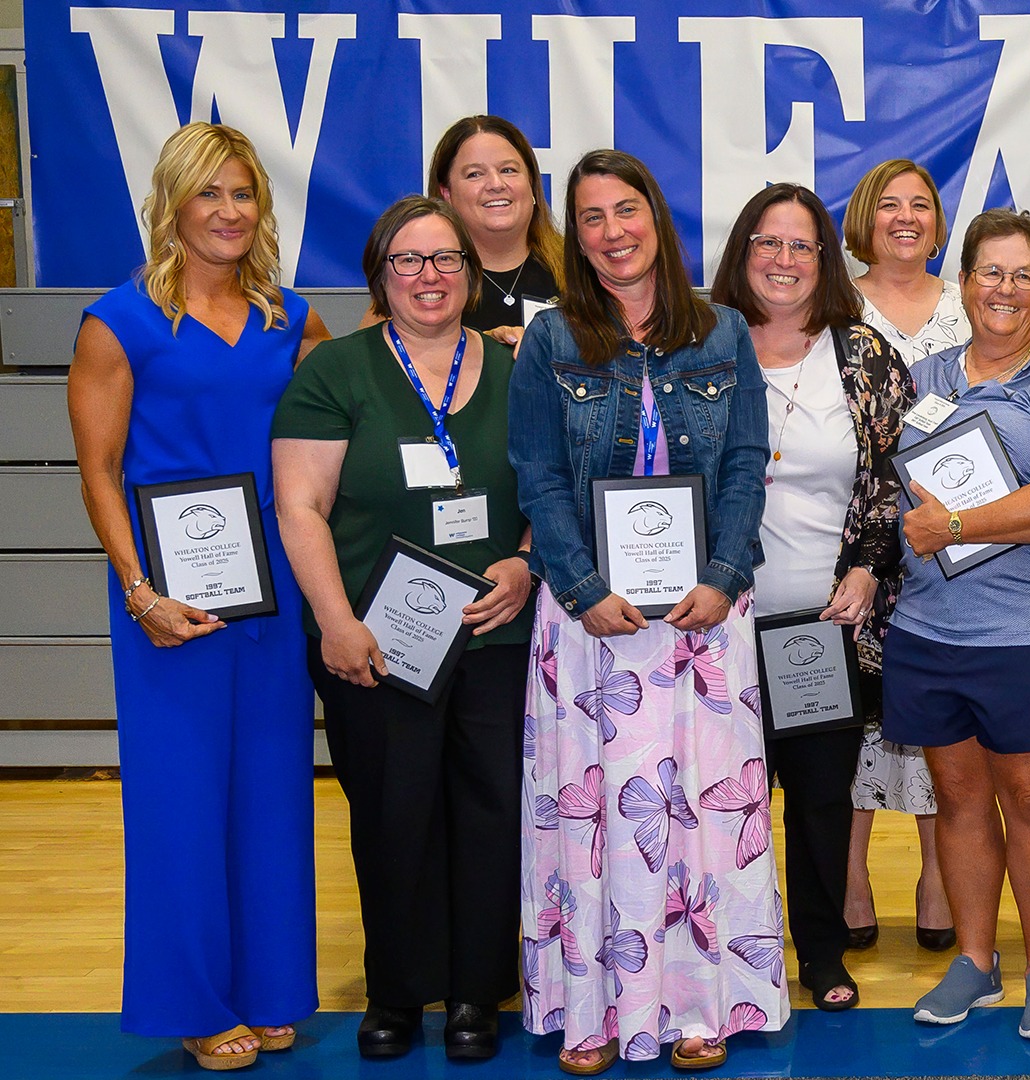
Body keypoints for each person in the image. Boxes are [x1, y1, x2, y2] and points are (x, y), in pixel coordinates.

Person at [510, 149, 782, 1074]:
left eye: (626, 211)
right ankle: (591, 1008)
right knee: (595, 819)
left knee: (701, 812)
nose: (612, 232)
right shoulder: (551, 339)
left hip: (704, 619)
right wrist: (582, 589)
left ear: (656, 219)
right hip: (592, 623)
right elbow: (539, 476)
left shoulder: (724, 332)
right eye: (590, 218)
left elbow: (747, 462)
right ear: (573, 237)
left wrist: (725, 571)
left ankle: (700, 1004)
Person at [68, 121, 327, 1072]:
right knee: (180, 804)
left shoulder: (290, 317)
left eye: (244, 194)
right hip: (164, 606)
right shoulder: (120, 320)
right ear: (172, 203)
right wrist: (139, 590)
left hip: (271, 600)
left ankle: (267, 989)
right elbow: (98, 471)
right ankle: (192, 1001)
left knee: (271, 797)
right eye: (209, 193)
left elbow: (340, 426)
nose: (228, 212)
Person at [273, 195, 534, 1061]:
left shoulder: (515, 370)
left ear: (472, 273)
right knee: (393, 815)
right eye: (409, 262)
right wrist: (335, 621)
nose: (430, 277)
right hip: (375, 644)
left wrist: (527, 560)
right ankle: (393, 991)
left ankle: (474, 996)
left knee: (491, 814)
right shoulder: (335, 372)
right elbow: (301, 505)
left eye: (446, 260)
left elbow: (552, 490)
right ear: (380, 277)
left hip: (492, 637)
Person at [888, 209, 1030, 1041]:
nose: (1005, 291)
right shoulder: (928, 374)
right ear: (965, 281)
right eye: (991, 273)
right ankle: (976, 962)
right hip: (930, 626)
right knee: (957, 797)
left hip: (1029, 633)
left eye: (1022, 276)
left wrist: (957, 527)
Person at [708, 183, 914, 1011]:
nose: (784, 261)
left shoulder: (864, 355)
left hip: (823, 629)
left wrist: (869, 565)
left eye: (802, 246)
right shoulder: (702, 349)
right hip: (712, 625)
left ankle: (822, 955)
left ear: (825, 259)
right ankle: (723, 949)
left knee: (823, 799)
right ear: (742, 253)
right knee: (723, 798)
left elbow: (901, 477)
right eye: (768, 242)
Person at [838, 158, 963, 950]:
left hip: (948, 543)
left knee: (937, 713)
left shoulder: (968, 301)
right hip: (849, 541)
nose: (907, 217)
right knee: (845, 710)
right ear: (865, 217)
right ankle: (848, 878)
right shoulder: (830, 302)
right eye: (890, 205)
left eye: (922, 204)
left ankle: (938, 877)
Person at [428, 115, 565, 344]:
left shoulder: (581, 270)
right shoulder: (421, 278)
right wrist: (481, 349)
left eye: (508, 170)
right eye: (475, 174)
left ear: (531, 183)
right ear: (447, 194)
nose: (496, 184)